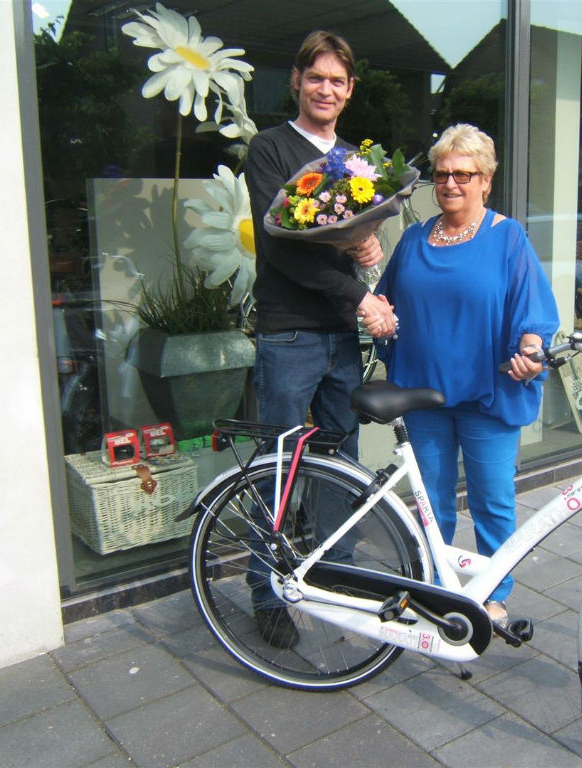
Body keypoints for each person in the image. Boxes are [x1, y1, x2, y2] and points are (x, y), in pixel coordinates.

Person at [367, 124, 559, 630]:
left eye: (464, 174)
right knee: (431, 504)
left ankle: (492, 594)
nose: (451, 183)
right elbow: (386, 301)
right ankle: (437, 585)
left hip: (486, 395)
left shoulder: (507, 237)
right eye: (442, 174)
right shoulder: (413, 239)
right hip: (422, 393)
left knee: (492, 502)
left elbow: (533, 309)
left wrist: (531, 349)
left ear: (486, 180)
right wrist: (378, 314)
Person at [245, 29, 395, 648]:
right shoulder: (270, 149)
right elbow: (280, 249)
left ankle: (336, 575)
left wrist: (367, 246)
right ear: (297, 82)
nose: (325, 89)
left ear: (350, 89)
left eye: (336, 80)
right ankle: (266, 591)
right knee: (277, 467)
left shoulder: (359, 160)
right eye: (315, 78)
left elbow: (350, 235)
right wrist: (359, 295)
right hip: (289, 333)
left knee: (341, 462)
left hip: (339, 334)